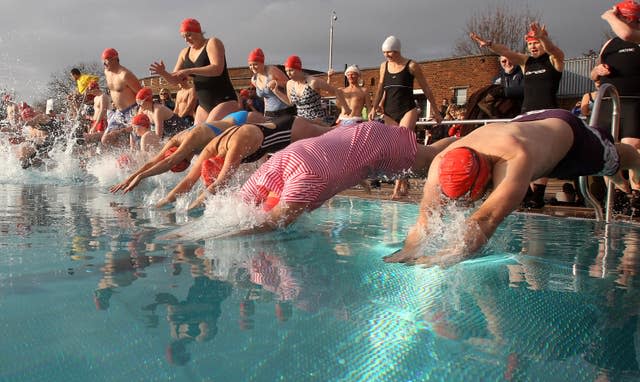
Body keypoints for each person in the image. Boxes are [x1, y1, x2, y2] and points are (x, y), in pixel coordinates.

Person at [386, 109, 640, 267]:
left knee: (616, 158)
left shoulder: (514, 159)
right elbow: (424, 221)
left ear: (486, 177)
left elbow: (484, 219)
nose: (463, 205)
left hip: (568, 137)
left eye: (469, 197)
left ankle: (634, 164)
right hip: (527, 124)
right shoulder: (441, 162)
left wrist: (448, 256)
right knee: (608, 169)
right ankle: (617, 176)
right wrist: (407, 251)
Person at [236, 121, 454, 234]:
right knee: (430, 153)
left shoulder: (304, 179)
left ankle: (472, 141)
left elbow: (273, 224)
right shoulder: (272, 166)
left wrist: (216, 238)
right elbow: (238, 201)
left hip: (377, 144)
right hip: (350, 139)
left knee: (432, 163)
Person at [471, 23, 565, 209]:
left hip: (548, 115)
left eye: (536, 43)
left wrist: (544, 38)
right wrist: (489, 44)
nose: (533, 47)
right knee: (523, 151)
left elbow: (553, 49)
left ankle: (538, 193)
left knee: (542, 153)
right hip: (527, 113)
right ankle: (527, 191)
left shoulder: (555, 60)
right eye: (530, 44)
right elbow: (506, 52)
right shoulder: (525, 62)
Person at [158, 115, 333, 209]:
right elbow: (188, 180)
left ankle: (356, 125)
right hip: (273, 126)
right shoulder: (210, 150)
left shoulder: (235, 147)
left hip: (290, 129)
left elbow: (220, 183)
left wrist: (192, 208)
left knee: (331, 133)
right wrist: (164, 202)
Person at [110, 110, 264, 194]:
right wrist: (131, 177)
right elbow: (154, 161)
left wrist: (141, 176)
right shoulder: (174, 140)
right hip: (230, 121)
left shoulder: (191, 140)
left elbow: (169, 161)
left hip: (242, 120)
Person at [369, 35, 443, 199]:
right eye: (384, 53)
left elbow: (426, 88)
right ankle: (404, 181)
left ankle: (397, 189)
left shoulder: (411, 65)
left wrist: (436, 111)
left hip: (407, 109)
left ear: (398, 50)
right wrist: (374, 107)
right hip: (389, 111)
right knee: (395, 150)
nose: (387, 56)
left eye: (390, 52)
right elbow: (381, 88)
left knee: (402, 146)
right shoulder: (384, 66)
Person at [592, 1, 640, 209]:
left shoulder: (636, 37)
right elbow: (593, 75)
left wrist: (608, 16)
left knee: (633, 148)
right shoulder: (609, 44)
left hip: (634, 102)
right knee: (603, 149)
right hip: (607, 103)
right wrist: (597, 71)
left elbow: (627, 34)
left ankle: (637, 194)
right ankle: (621, 192)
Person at [149, 18, 238, 124]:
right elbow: (174, 80)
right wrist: (163, 73)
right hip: (204, 105)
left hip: (224, 100)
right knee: (195, 137)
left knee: (207, 131)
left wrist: (189, 70)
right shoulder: (184, 53)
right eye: (183, 37)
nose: (186, 40)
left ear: (199, 32)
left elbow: (217, 68)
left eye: (189, 35)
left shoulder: (212, 43)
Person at [271, 55, 350, 124]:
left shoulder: (313, 82)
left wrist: (345, 109)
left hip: (317, 121)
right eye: (286, 71)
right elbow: (290, 102)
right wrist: (276, 91)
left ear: (299, 69)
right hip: (302, 122)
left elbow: (337, 91)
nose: (288, 73)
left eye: (291, 70)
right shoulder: (290, 84)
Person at [100, 48, 143, 149]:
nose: (104, 64)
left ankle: (134, 154)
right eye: (103, 61)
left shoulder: (125, 75)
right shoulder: (107, 72)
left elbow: (141, 94)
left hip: (132, 111)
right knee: (106, 140)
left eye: (106, 60)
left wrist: (140, 112)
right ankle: (124, 153)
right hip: (119, 112)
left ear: (115, 59)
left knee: (136, 144)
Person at [247, 48, 296, 118]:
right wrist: (265, 113)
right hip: (269, 114)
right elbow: (265, 98)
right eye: (250, 65)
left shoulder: (272, 70)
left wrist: (277, 82)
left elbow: (290, 84)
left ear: (262, 63)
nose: (252, 67)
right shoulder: (254, 79)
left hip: (284, 111)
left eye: (255, 64)